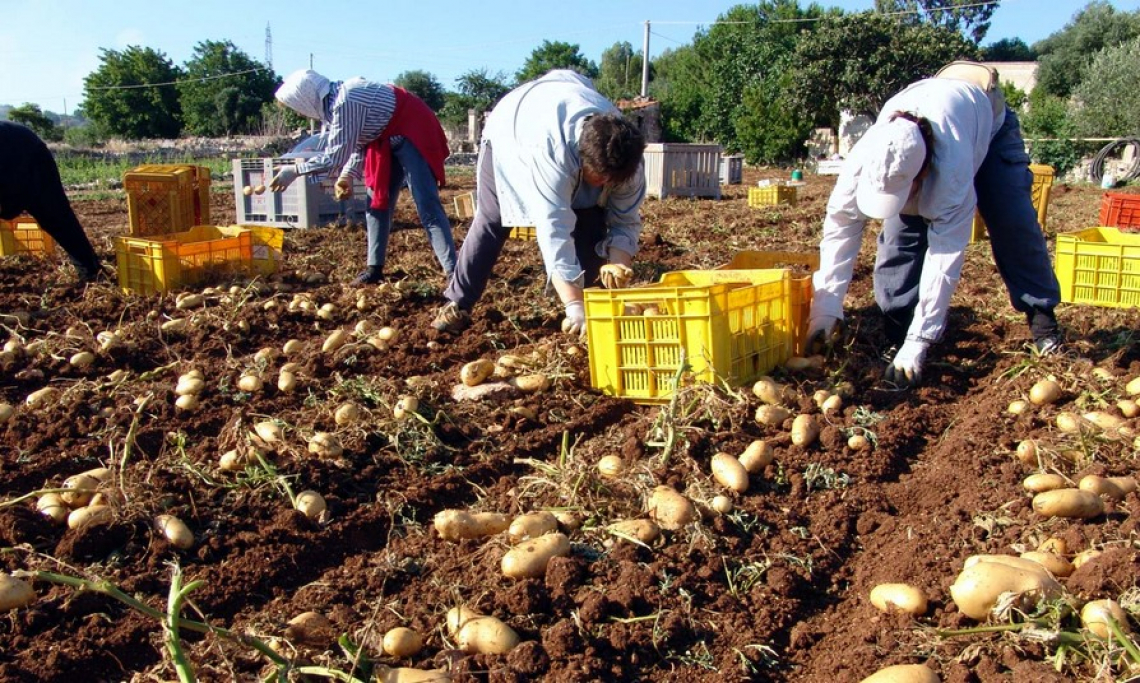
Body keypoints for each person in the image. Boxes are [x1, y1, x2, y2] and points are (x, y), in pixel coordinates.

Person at [807, 61, 1062, 387]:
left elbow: (944, 257)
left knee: (1011, 219)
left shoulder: (951, 172)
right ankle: (896, 330)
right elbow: (841, 226)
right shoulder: (867, 154)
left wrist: (921, 341)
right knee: (900, 237)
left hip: (988, 123)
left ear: (922, 173)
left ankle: (1044, 325)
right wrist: (826, 309)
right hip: (936, 113)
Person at [430, 70, 646, 337]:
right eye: (600, 177)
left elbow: (625, 220)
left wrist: (617, 269)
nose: (604, 184)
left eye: (611, 180)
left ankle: (591, 306)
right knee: (493, 219)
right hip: (512, 131)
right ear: (581, 159)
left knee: (591, 221)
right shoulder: (552, 154)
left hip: (562, 105)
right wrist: (574, 305)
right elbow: (553, 228)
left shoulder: (629, 160)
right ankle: (458, 303)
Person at [271, 69, 456, 284]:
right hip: (384, 137)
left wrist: (294, 170)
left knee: (426, 203)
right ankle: (374, 269)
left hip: (412, 126)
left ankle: (454, 271)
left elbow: (334, 157)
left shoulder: (346, 100)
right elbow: (359, 141)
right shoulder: (336, 107)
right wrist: (347, 175)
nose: (302, 114)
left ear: (306, 99)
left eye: (299, 108)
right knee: (376, 202)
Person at [0, 121, 105, 283]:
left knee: (57, 217)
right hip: (16, 149)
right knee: (58, 218)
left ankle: (92, 274)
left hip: (26, 153)